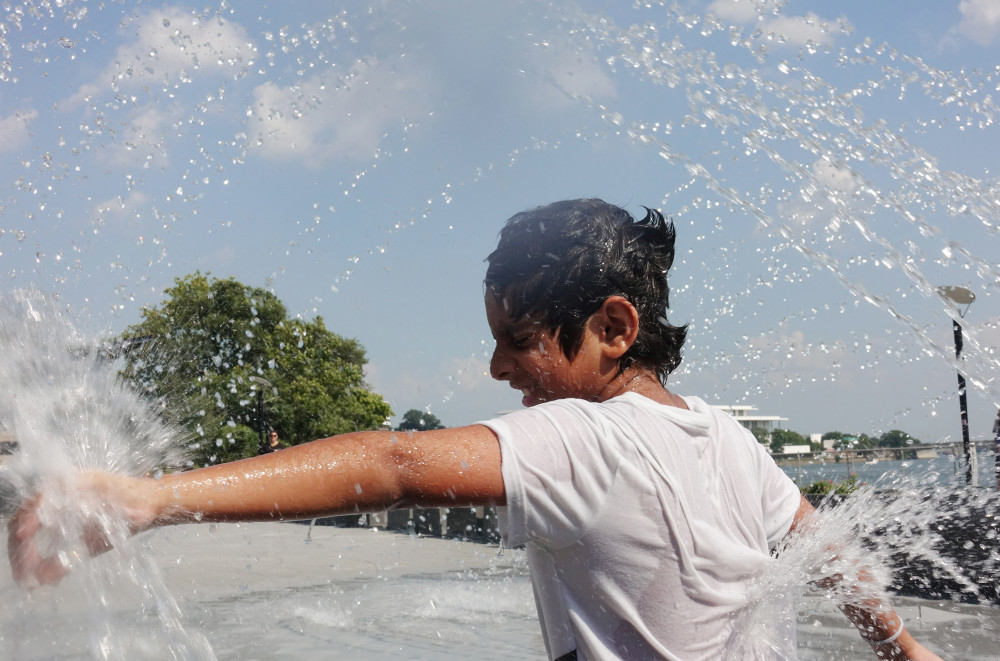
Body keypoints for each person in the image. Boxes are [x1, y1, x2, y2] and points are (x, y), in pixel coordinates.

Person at [8, 199, 939, 660]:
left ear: (613, 327)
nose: (497, 368)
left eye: (518, 341)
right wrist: (901, 647)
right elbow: (830, 549)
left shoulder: (589, 435)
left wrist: (149, 498)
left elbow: (396, 462)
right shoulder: (724, 437)